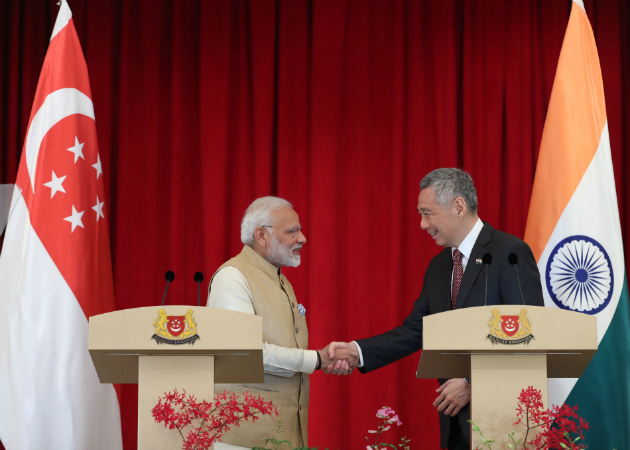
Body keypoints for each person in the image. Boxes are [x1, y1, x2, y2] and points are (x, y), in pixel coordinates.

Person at [326, 168, 544, 450]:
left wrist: (471, 382)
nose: (422, 224)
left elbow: (530, 340)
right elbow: (417, 329)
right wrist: (358, 350)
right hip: (455, 426)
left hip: (505, 424)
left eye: (428, 213)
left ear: (458, 206)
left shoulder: (509, 252)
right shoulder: (440, 266)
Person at [208, 196, 357, 450]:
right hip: (240, 439)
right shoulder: (232, 277)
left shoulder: (279, 279)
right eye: (292, 231)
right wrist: (318, 359)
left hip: (282, 435)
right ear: (261, 235)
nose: (302, 238)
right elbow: (247, 353)